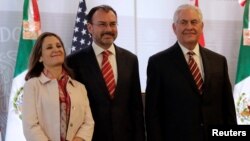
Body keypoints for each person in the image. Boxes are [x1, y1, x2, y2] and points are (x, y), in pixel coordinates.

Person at [145, 4, 237, 141]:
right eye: (183, 22)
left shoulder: (219, 61)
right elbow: (153, 114)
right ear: (174, 28)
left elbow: (228, 108)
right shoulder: (158, 63)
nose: (189, 27)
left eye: (194, 22)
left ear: (201, 27)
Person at [67, 5, 145, 141]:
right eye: (102, 24)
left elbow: (136, 107)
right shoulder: (74, 62)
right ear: (90, 28)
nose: (109, 29)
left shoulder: (130, 59)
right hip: (91, 137)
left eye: (113, 24)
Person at [22, 32, 94, 141]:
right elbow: (30, 126)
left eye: (59, 46)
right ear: (40, 57)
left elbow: (88, 122)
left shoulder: (79, 87)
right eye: (49, 47)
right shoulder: (32, 85)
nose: (56, 49)